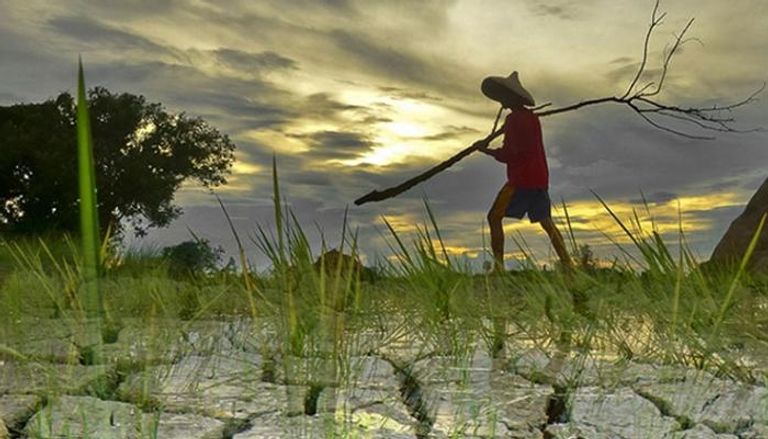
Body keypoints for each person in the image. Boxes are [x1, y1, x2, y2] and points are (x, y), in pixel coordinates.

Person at [473, 71, 572, 273]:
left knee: (493, 217)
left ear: (512, 98)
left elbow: (511, 153)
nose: (501, 100)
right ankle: (568, 264)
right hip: (540, 179)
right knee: (547, 222)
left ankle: (499, 267)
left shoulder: (514, 120)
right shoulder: (532, 119)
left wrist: (487, 151)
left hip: (521, 180)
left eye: (503, 97)